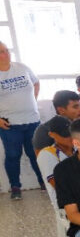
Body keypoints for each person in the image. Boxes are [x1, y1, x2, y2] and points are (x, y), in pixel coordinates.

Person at [0, 41, 42, 199]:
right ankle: (15, 187)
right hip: (10, 124)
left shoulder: (22, 67)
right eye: (2, 52)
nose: (6, 54)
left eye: (7, 50)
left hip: (33, 120)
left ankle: (44, 182)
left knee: (36, 153)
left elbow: (36, 82)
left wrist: (34, 99)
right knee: (13, 155)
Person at [36, 116, 74, 206]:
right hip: (66, 205)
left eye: (71, 133)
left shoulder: (79, 149)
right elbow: (58, 186)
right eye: (65, 135)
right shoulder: (46, 154)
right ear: (52, 134)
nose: (70, 137)